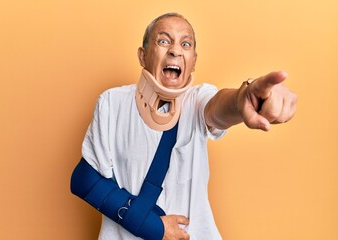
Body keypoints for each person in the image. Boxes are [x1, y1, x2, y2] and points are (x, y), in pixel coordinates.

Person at [71, 12, 297, 240]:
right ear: (142, 56)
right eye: (163, 41)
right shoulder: (112, 102)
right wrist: (153, 227)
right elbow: (85, 180)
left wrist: (243, 98)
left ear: (194, 61)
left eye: (185, 43)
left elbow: (218, 109)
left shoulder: (198, 100)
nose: (175, 50)